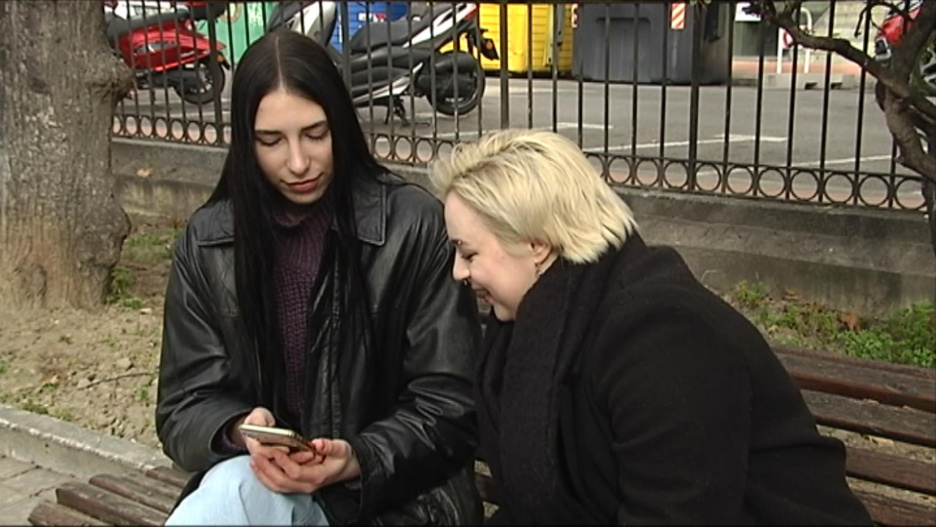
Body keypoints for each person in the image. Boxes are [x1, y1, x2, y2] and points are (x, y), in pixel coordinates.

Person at [429, 129, 874, 525]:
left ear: (537, 245)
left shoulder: (664, 339)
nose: (458, 273)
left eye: (469, 254)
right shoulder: (540, 323)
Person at [155, 30, 482, 526]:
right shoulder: (209, 242)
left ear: (342, 125)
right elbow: (184, 403)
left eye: (315, 133)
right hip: (267, 487)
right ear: (245, 142)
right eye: (271, 141)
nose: (299, 162)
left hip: (399, 500)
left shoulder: (412, 225)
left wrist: (358, 458)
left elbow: (451, 404)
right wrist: (239, 430)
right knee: (228, 491)